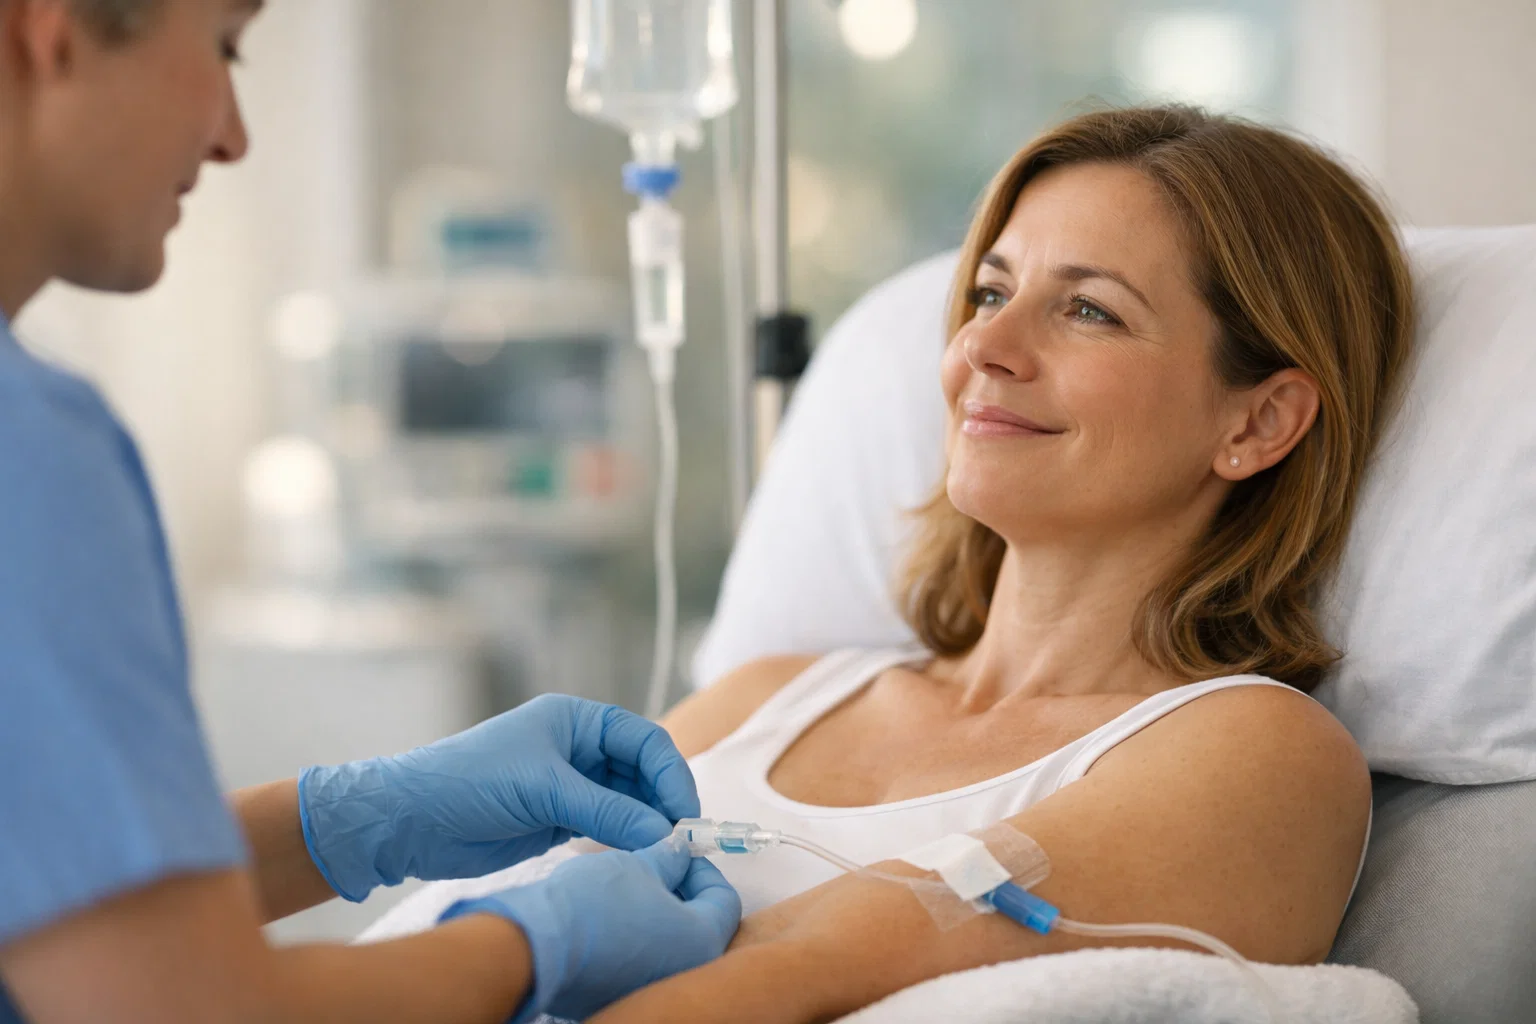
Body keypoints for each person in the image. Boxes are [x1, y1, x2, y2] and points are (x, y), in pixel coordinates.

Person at [372, 104, 1416, 1023]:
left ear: (1260, 419)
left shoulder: (1257, 754)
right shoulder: (772, 695)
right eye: (990, 293)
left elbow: (799, 974)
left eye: (1089, 308)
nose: (984, 351)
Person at [0, 2, 738, 1023]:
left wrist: (357, 817)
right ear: (53, 28)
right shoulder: (30, 453)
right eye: (224, 47)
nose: (233, 136)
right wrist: (534, 944)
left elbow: (59, 895)